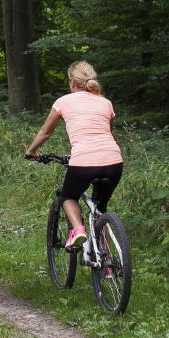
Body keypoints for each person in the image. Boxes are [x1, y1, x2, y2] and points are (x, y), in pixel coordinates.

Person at [25, 60, 123, 250]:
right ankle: (109, 265)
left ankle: (78, 230)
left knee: (68, 197)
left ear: (72, 82)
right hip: (114, 162)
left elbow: (45, 132)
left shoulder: (63, 101)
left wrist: (31, 151)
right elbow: (108, 132)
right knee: (100, 209)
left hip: (83, 162)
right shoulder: (105, 102)